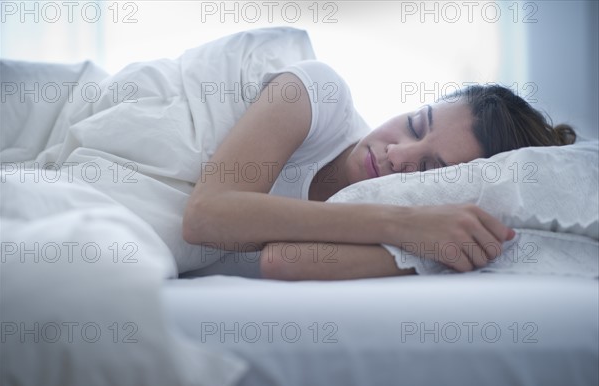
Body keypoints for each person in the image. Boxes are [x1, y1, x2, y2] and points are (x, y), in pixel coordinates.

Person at [182, 60, 576, 281]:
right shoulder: (319, 96)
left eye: (428, 170)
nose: (398, 153)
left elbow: (281, 259)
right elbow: (206, 217)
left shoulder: (405, 229)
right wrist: (402, 225)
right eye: (415, 124)